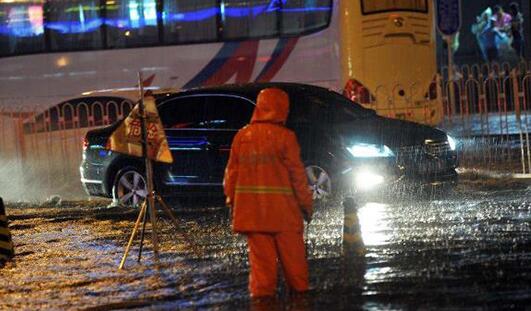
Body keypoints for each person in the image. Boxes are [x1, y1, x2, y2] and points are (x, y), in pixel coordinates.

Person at [223, 87, 314, 299]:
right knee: (297, 274)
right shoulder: (286, 138)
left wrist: (232, 201)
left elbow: (231, 176)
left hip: (253, 217)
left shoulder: (242, 137)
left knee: (262, 278)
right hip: (285, 216)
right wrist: (307, 206)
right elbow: (298, 177)